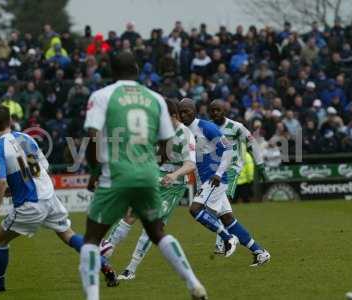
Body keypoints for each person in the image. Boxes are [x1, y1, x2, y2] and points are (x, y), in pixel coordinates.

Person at [80, 52, 207, 300]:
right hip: (149, 175)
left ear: (111, 71)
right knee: (157, 232)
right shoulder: (156, 99)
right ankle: (193, 283)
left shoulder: (102, 96)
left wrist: (94, 173)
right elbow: (165, 141)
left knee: (91, 238)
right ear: (137, 69)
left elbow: (93, 139)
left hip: (116, 173)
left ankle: (93, 297)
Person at [0, 105, 118, 293]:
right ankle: (104, 264)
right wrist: (16, 187)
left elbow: (0, 182)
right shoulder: (26, 138)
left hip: (30, 204)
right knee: (68, 235)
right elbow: (40, 168)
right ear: (10, 120)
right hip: (49, 196)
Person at [99, 98, 196, 281]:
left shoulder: (185, 134)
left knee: (152, 226)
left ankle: (131, 269)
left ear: (173, 116)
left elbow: (190, 164)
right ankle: (104, 252)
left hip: (172, 187)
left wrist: (175, 175)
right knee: (129, 215)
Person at [178, 98, 270, 266]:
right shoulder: (182, 132)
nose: (184, 115)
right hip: (203, 180)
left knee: (195, 209)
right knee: (228, 218)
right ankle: (260, 252)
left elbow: (228, 148)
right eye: (181, 112)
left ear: (195, 111)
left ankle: (227, 239)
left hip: (214, 179)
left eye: (187, 111)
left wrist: (219, 174)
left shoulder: (206, 127)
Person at [208, 100, 270, 262]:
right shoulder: (207, 127)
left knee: (223, 199)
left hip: (232, 169)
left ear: (225, 110)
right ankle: (250, 248)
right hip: (214, 171)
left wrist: (261, 165)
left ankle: (222, 241)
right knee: (221, 210)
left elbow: (252, 143)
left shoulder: (236, 127)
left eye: (218, 110)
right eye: (212, 110)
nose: (215, 113)